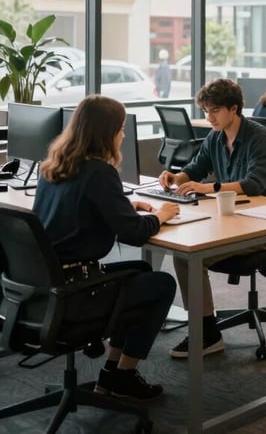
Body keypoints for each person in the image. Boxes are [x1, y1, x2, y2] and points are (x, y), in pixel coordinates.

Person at [33, 95, 179, 400]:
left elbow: (75, 208)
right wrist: (163, 215)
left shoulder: (52, 167)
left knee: (140, 269)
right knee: (162, 284)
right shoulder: (100, 172)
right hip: (76, 294)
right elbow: (135, 233)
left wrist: (122, 204)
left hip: (45, 286)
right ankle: (123, 375)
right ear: (107, 132)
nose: (123, 135)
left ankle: (112, 372)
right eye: (121, 128)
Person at [159, 78, 266, 358]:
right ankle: (206, 330)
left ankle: (205, 334)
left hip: (264, 224)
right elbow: (196, 168)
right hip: (229, 219)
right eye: (205, 111)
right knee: (184, 253)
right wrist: (175, 178)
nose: (209, 117)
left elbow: (255, 183)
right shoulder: (215, 137)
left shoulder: (258, 136)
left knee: (191, 255)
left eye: (214, 111)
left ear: (234, 108)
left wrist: (209, 188)